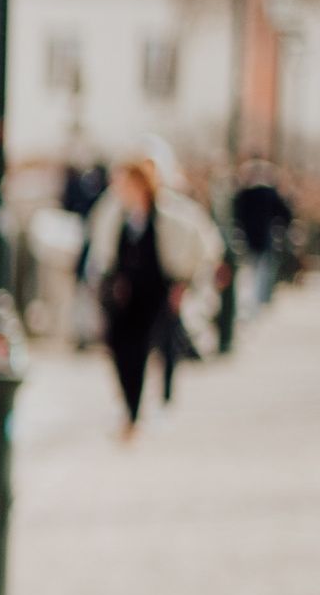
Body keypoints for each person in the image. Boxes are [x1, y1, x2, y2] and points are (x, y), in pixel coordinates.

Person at [85, 154, 222, 439]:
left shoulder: (168, 214)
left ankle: (158, 403)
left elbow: (196, 244)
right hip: (126, 294)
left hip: (159, 291)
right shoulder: (118, 213)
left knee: (163, 345)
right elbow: (102, 246)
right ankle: (131, 407)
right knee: (121, 346)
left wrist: (183, 282)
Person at [231, 161, 295, 314]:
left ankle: (249, 304)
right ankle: (256, 303)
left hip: (247, 238)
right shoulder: (269, 194)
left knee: (250, 272)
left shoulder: (244, 194)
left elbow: (236, 214)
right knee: (260, 271)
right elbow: (285, 214)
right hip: (263, 238)